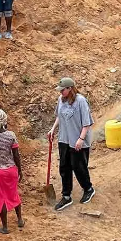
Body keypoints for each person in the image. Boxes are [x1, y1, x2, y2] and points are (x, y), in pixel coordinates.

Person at [48, 78, 95, 211]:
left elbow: (87, 123)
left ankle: (88, 188)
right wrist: (52, 130)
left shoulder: (81, 101)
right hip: (64, 139)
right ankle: (66, 196)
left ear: (70, 89)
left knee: (78, 166)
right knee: (64, 167)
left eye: (63, 90)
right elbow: (59, 116)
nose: (61, 92)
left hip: (77, 140)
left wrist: (81, 139)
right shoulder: (61, 99)